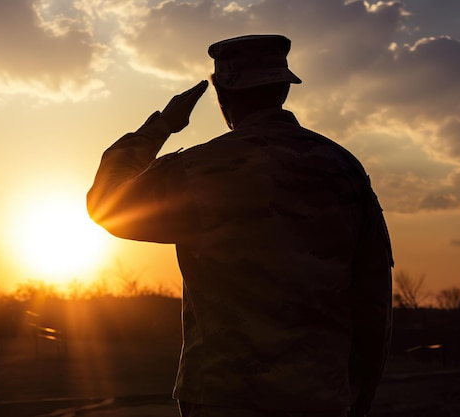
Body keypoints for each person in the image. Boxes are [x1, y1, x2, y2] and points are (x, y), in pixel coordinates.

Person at [86, 34, 393, 417]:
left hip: (225, 398)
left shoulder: (203, 170)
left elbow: (105, 204)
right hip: (320, 397)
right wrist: (358, 396)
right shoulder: (344, 169)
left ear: (220, 91)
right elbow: (373, 295)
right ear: (283, 87)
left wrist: (161, 126)